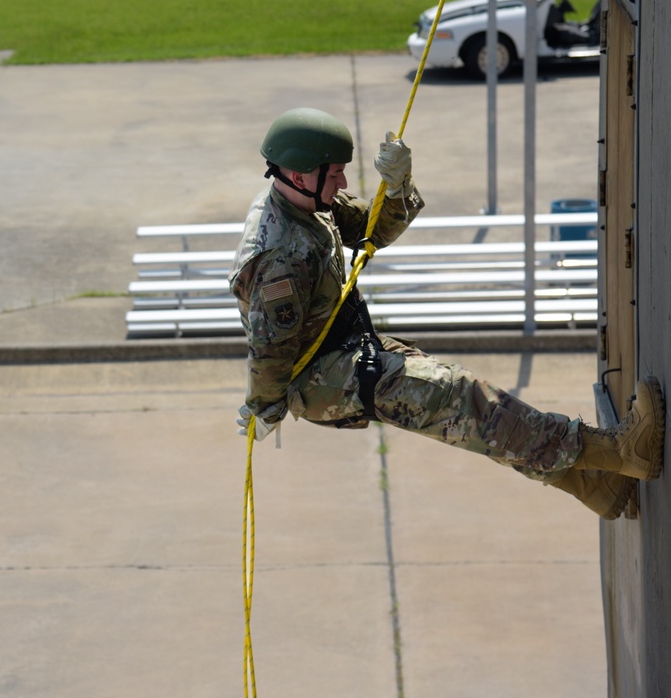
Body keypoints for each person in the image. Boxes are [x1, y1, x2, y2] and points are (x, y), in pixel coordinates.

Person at [229, 107, 664, 520]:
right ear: (300, 174)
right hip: (323, 379)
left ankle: (595, 489)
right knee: (463, 398)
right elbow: (270, 350)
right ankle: (622, 452)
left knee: (469, 417)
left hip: (341, 352)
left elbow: (372, 229)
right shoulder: (279, 256)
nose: (342, 181)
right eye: (336, 172)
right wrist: (262, 408)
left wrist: (397, 186)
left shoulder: (306, 203)